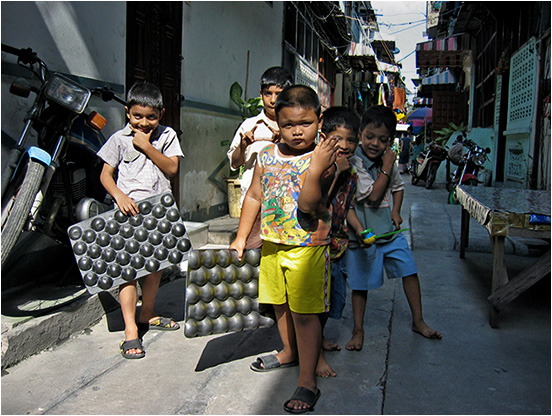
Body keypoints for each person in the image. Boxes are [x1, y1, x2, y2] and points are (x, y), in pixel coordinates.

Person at [229, 85, 338, 413]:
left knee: (305, 314)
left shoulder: (325, 158)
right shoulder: (266, 155)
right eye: (289, 124)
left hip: (308, 247)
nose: (297, 131)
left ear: (319, 120)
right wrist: (240, 236)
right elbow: (253, 196)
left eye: (305, 123)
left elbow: (309, 205)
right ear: (277, 124)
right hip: (272, 244)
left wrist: (316, 167)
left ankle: (307, 381)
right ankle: (289, 352)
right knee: (278, 305)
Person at [97, 82, 185, 359]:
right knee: (128, 273)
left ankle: (147, 313)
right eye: (137, 116)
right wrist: (119, 196)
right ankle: (131, 330)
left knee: (155, 266)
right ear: (127, 112)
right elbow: (105, 175)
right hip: (128, 214)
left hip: (158, 211)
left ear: (161, 113)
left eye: (151, 117)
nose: (144, 122)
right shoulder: (119, 139)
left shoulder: (167, 135)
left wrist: (147, 146)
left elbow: (172, 168)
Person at [345, 105, 441, 352]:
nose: (375, 143)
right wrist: (387, 166)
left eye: (383, 139)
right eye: (369, 137)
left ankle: (418, 321)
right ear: (360, 133)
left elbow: (398, 188)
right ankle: (358, 330)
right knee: (361, 284)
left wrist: (397, 211)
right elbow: (374, 196)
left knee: (409, 270)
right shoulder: (355, 161)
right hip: (364, 234)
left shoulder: (389, 161)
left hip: (389, 232)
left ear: (390, 140)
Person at [316, 106, 362, 378]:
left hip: (339, 244)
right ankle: (315, 355)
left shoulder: (352, 172)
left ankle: (317, 340)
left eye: (351, 139)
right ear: (324, 138)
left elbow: (348, 207)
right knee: (317, 303)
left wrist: (359, 230)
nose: (344, 146)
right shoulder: (320, 167)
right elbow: (319, 203)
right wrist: (335, 173)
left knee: (332, 300)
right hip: (318, 244)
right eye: (337, 139)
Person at [227, 67, 293, 249]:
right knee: (253, 254)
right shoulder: (250, 126)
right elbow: (235, 162)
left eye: (279, 94)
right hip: (255, 205)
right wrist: (243, 145)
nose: (273, 100)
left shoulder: (295, 128)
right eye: (268, 94)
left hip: (287, 204)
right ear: (261, 94)